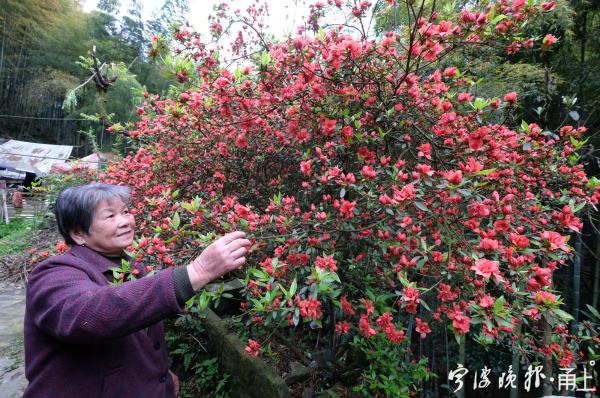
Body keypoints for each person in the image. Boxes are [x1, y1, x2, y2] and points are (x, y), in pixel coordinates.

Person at [23, 183, 251, 398]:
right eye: (110, 216)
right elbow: (90, 315)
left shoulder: (130, 267)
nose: (125, 221)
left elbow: (137, 337)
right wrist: (197, 271)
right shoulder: (54, 274)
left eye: (126, 211)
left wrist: (159, 376)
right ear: (78, 234)